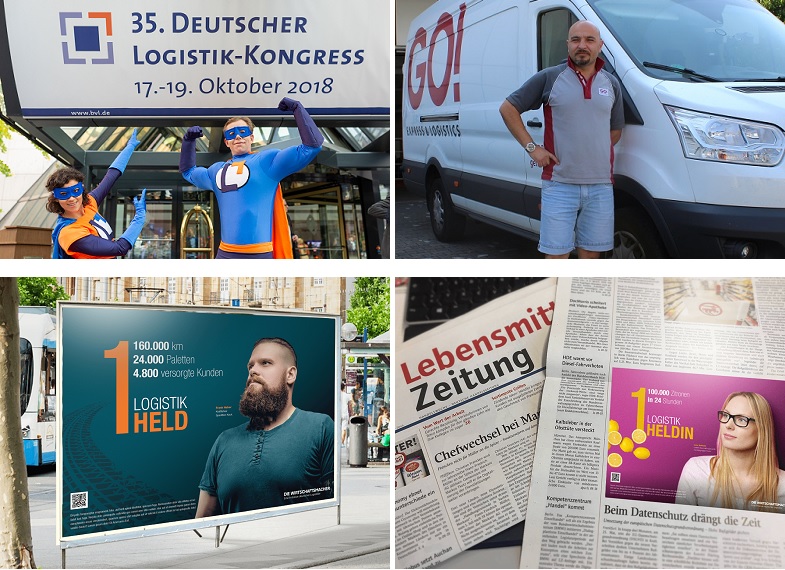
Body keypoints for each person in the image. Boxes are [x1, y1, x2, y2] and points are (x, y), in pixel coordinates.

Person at [499, 20, 624, 259]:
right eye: (576, 40)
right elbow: (508, 108)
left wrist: (591, 152)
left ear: (600, 45)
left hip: (601, 186)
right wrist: (532, 148)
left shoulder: (612, 84)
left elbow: (615, 130)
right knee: (556, 257)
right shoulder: (550, 78)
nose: (582, 45)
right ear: (567, 45)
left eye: (589, 40)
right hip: (559, 185)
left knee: (590, 256)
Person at [196, 338, 333, 517]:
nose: (253, 371)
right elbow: (202, 521)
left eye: (265, 363)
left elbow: (333, 509)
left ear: (290, 375)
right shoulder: (224, 440)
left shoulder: (320, 427)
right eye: (250, 366)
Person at [179, 97, 324, 259]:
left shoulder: (267, 161)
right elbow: (188, 172)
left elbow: (313, 146)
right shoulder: (216, 170)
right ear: (227, 142)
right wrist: (188, 142)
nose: (238, 137)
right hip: (224, 254)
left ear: (252, 138)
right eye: (232, 134)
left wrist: (298, 109)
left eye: (243, 132)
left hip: (259, 254)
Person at [676, 392, 785, 512]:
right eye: (726, 415)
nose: (728, 425)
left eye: (742, 419)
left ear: (762, 429)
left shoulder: (782, 486)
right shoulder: (696, 470)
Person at [47, 129, 146, 259]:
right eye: (64, 193)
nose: (71, 198)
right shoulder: (69, 232)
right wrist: (140, 218)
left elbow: (111, 176)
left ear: (81, 188)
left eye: (75, 191)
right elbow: (119, 248)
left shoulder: (88, 203)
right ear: (56, 197)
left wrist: (129, 147)